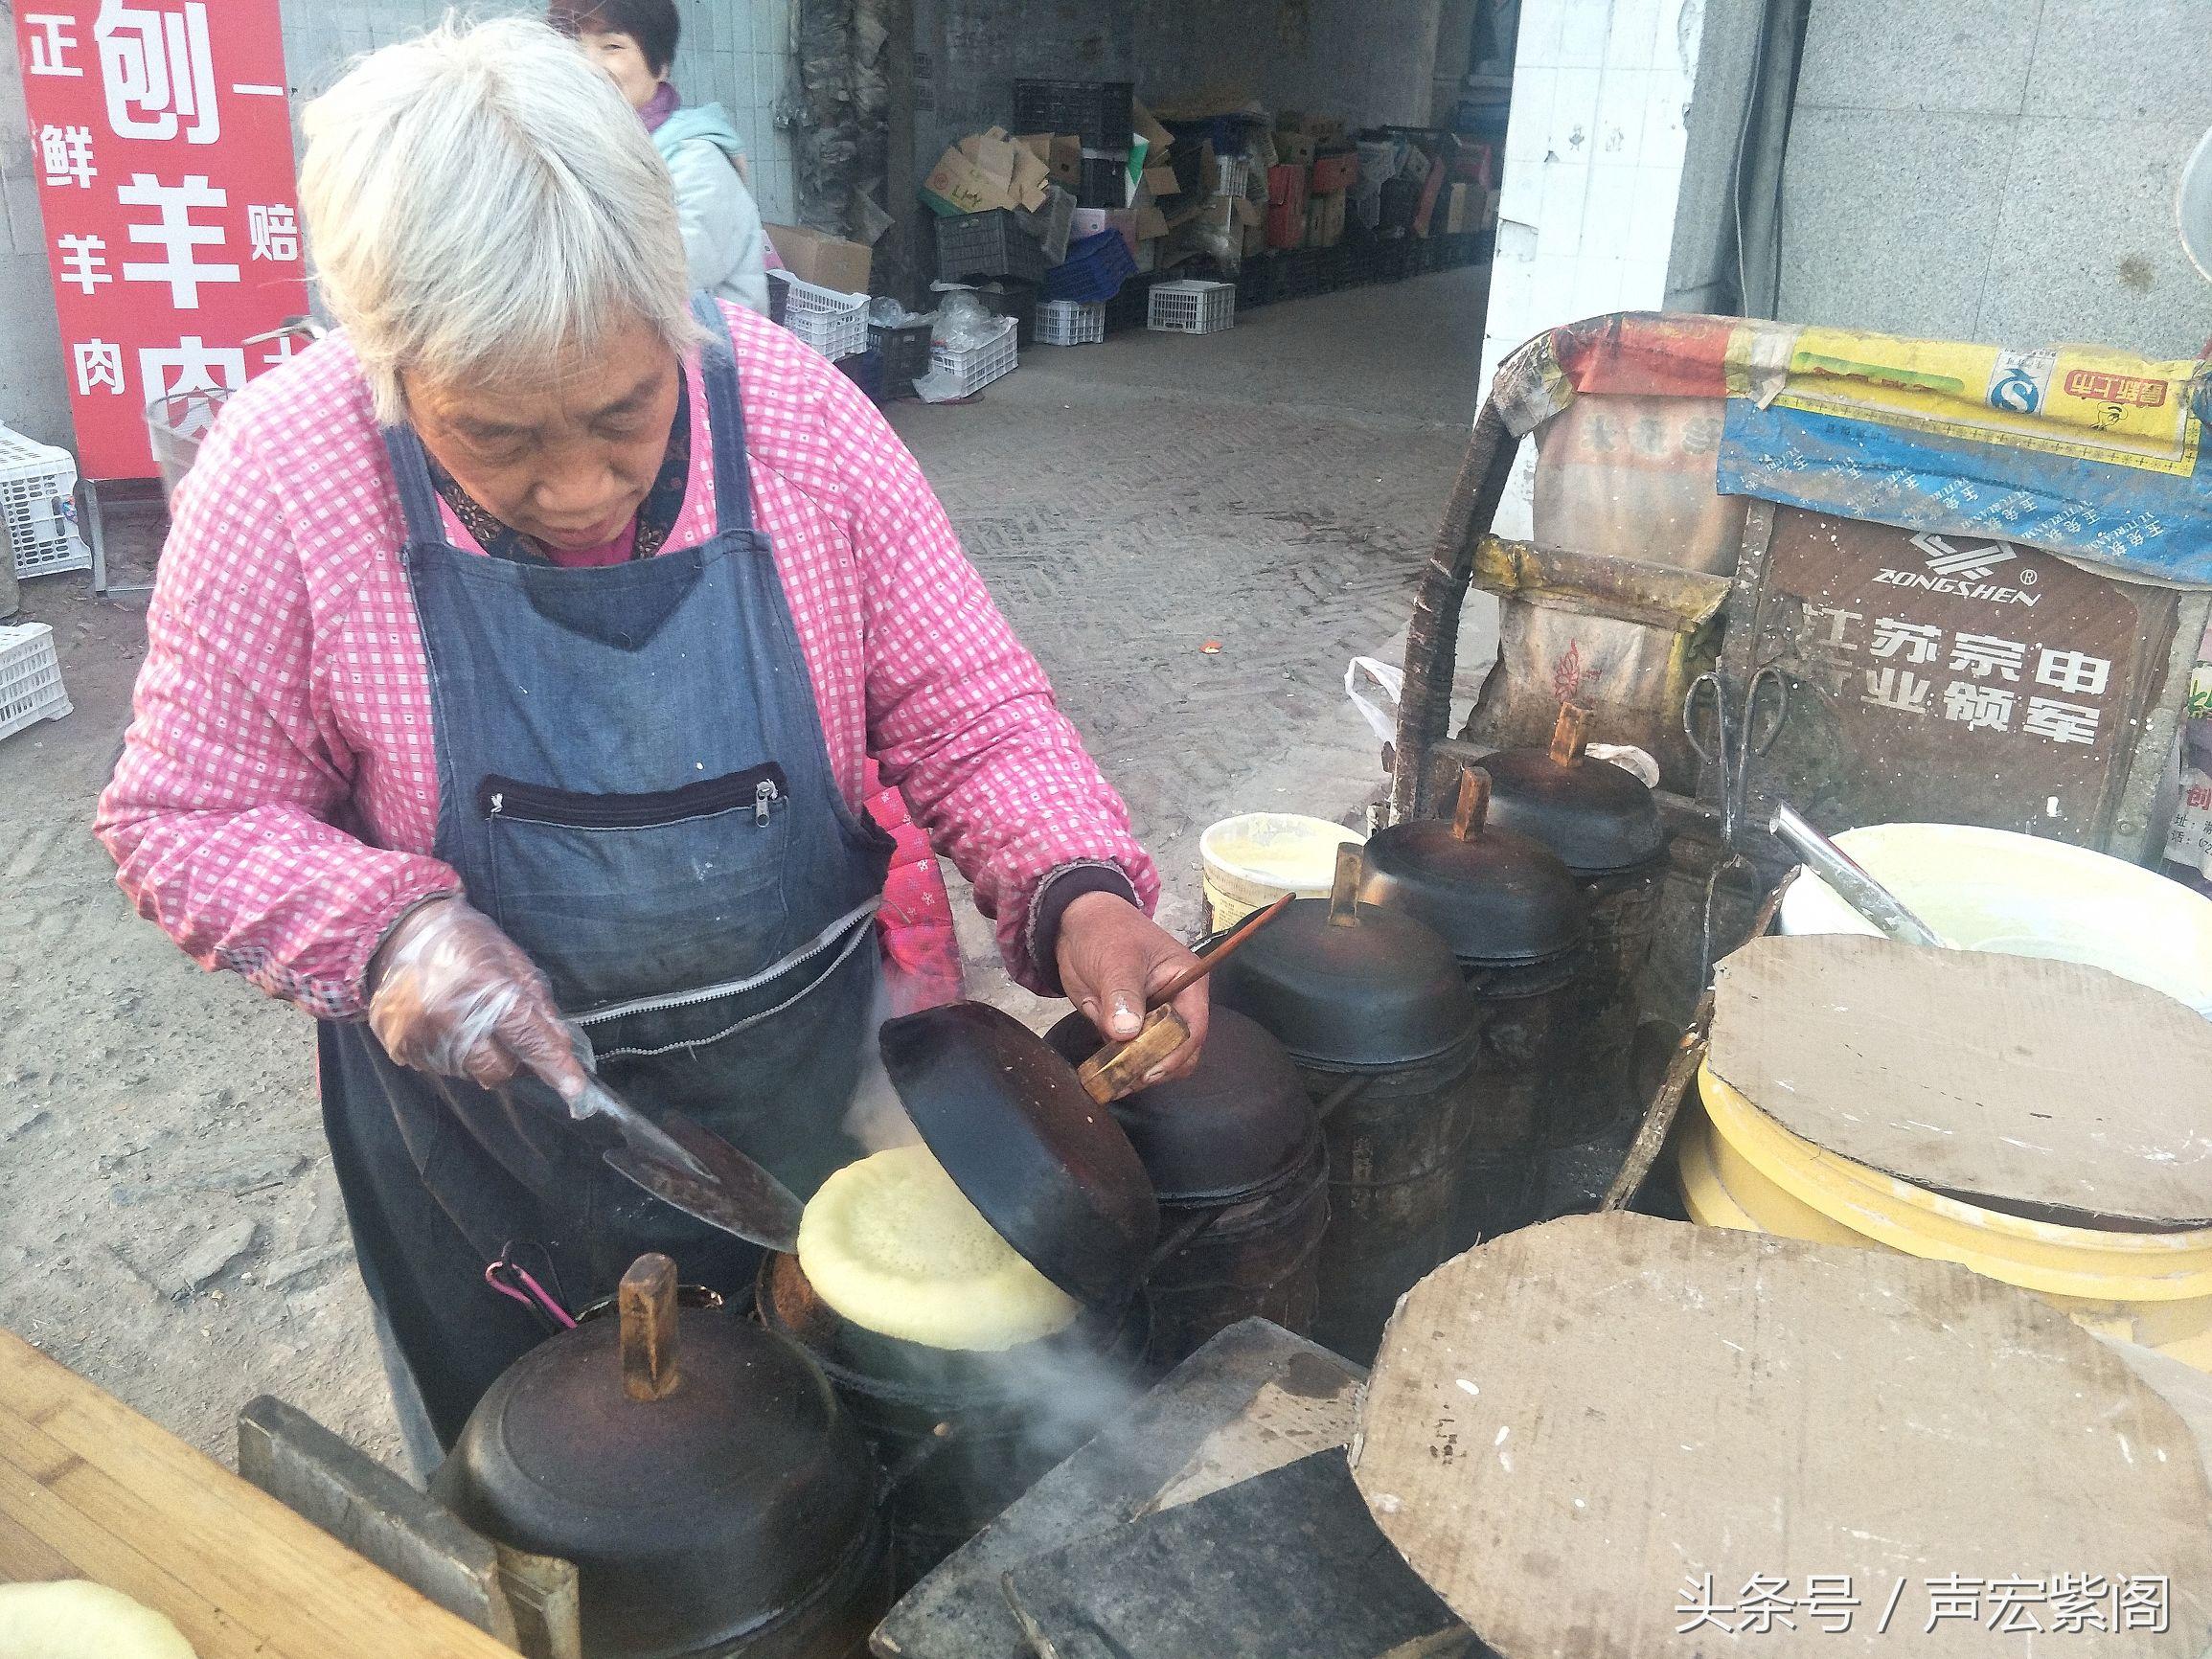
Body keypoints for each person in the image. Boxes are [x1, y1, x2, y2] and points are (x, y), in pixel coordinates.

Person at [95, 16, 1207, 1465]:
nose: (576, 486)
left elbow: (970, 708)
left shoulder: (802, 420)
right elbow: (180, 815)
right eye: (493, 436)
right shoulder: (285, 476)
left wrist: (1080, 887)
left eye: (624, 413)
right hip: (489, 1160)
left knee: (829, 1477)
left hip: (804, 1101)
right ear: (384, 361)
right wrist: (385, 935)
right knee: (575, 1519)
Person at [551, 0, 770, 315]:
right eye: (571, 44)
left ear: (661, 65)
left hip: (704, 354)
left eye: (612, 45)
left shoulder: (696, 159)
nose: (587, 64)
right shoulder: (577, 148)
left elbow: (665, 279)